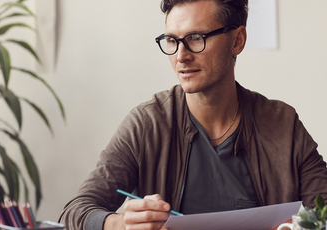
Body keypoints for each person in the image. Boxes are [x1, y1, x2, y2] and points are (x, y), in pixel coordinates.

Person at [59, 0, 327, 229]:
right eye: (172, 41)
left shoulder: (282, 124)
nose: (180, 55)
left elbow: (323, 208)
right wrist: (118, 224)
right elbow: (75, 211)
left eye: (196, 38)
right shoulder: (147, 124)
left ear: (238, 40)